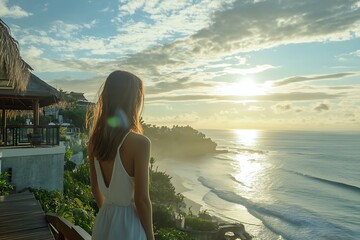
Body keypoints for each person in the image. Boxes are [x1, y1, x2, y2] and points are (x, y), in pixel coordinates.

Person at [87, 70, 154, 240]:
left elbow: (95, 189)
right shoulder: (140, 143)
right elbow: (142, 200)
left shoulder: (94, 142)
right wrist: (151, 236)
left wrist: (109, 213)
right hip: (128, 226)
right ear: (133, 101)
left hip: (104, 221)